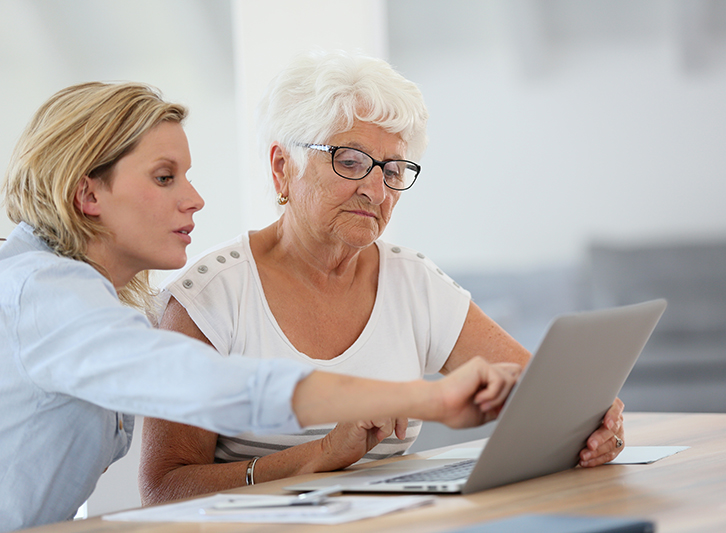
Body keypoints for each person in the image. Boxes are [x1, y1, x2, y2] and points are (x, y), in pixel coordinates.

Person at [0, 81, 521, 532]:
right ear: (88, 195)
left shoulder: (81, 297)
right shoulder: (45, 297)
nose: (195, 198)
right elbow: (210, 387)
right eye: (165, 177)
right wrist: (427, 399)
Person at [138, 50, 626, 506]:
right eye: (350, 161)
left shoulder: (412, 281)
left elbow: (539, 395)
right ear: (283, 167)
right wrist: (320, 455)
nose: (376, 189)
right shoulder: (208, 297)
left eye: (393, 169)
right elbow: (163, 490)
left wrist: (592, 419)